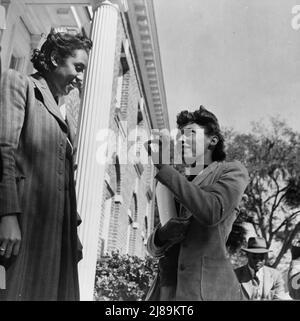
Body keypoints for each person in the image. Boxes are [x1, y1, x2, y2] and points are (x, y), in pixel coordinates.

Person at [0, 30, 92, 300]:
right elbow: (3, 150)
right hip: (22, 225)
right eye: (78, 67)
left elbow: (66, 182)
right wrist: (6, 216)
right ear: (53, 58)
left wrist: (72, 233)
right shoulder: (18, 84)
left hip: (55, 237)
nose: (81, 77)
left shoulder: (63, 120)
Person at [145, 106, 249, 301]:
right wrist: (163, 234)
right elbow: (153, 248)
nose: (181, 140)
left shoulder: (231, 171)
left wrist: (164, 167)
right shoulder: (178, 182)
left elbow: (211, 210)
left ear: (213, 140)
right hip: (168, 291)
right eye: (179, 137)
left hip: (206, 292)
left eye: (190, 134)